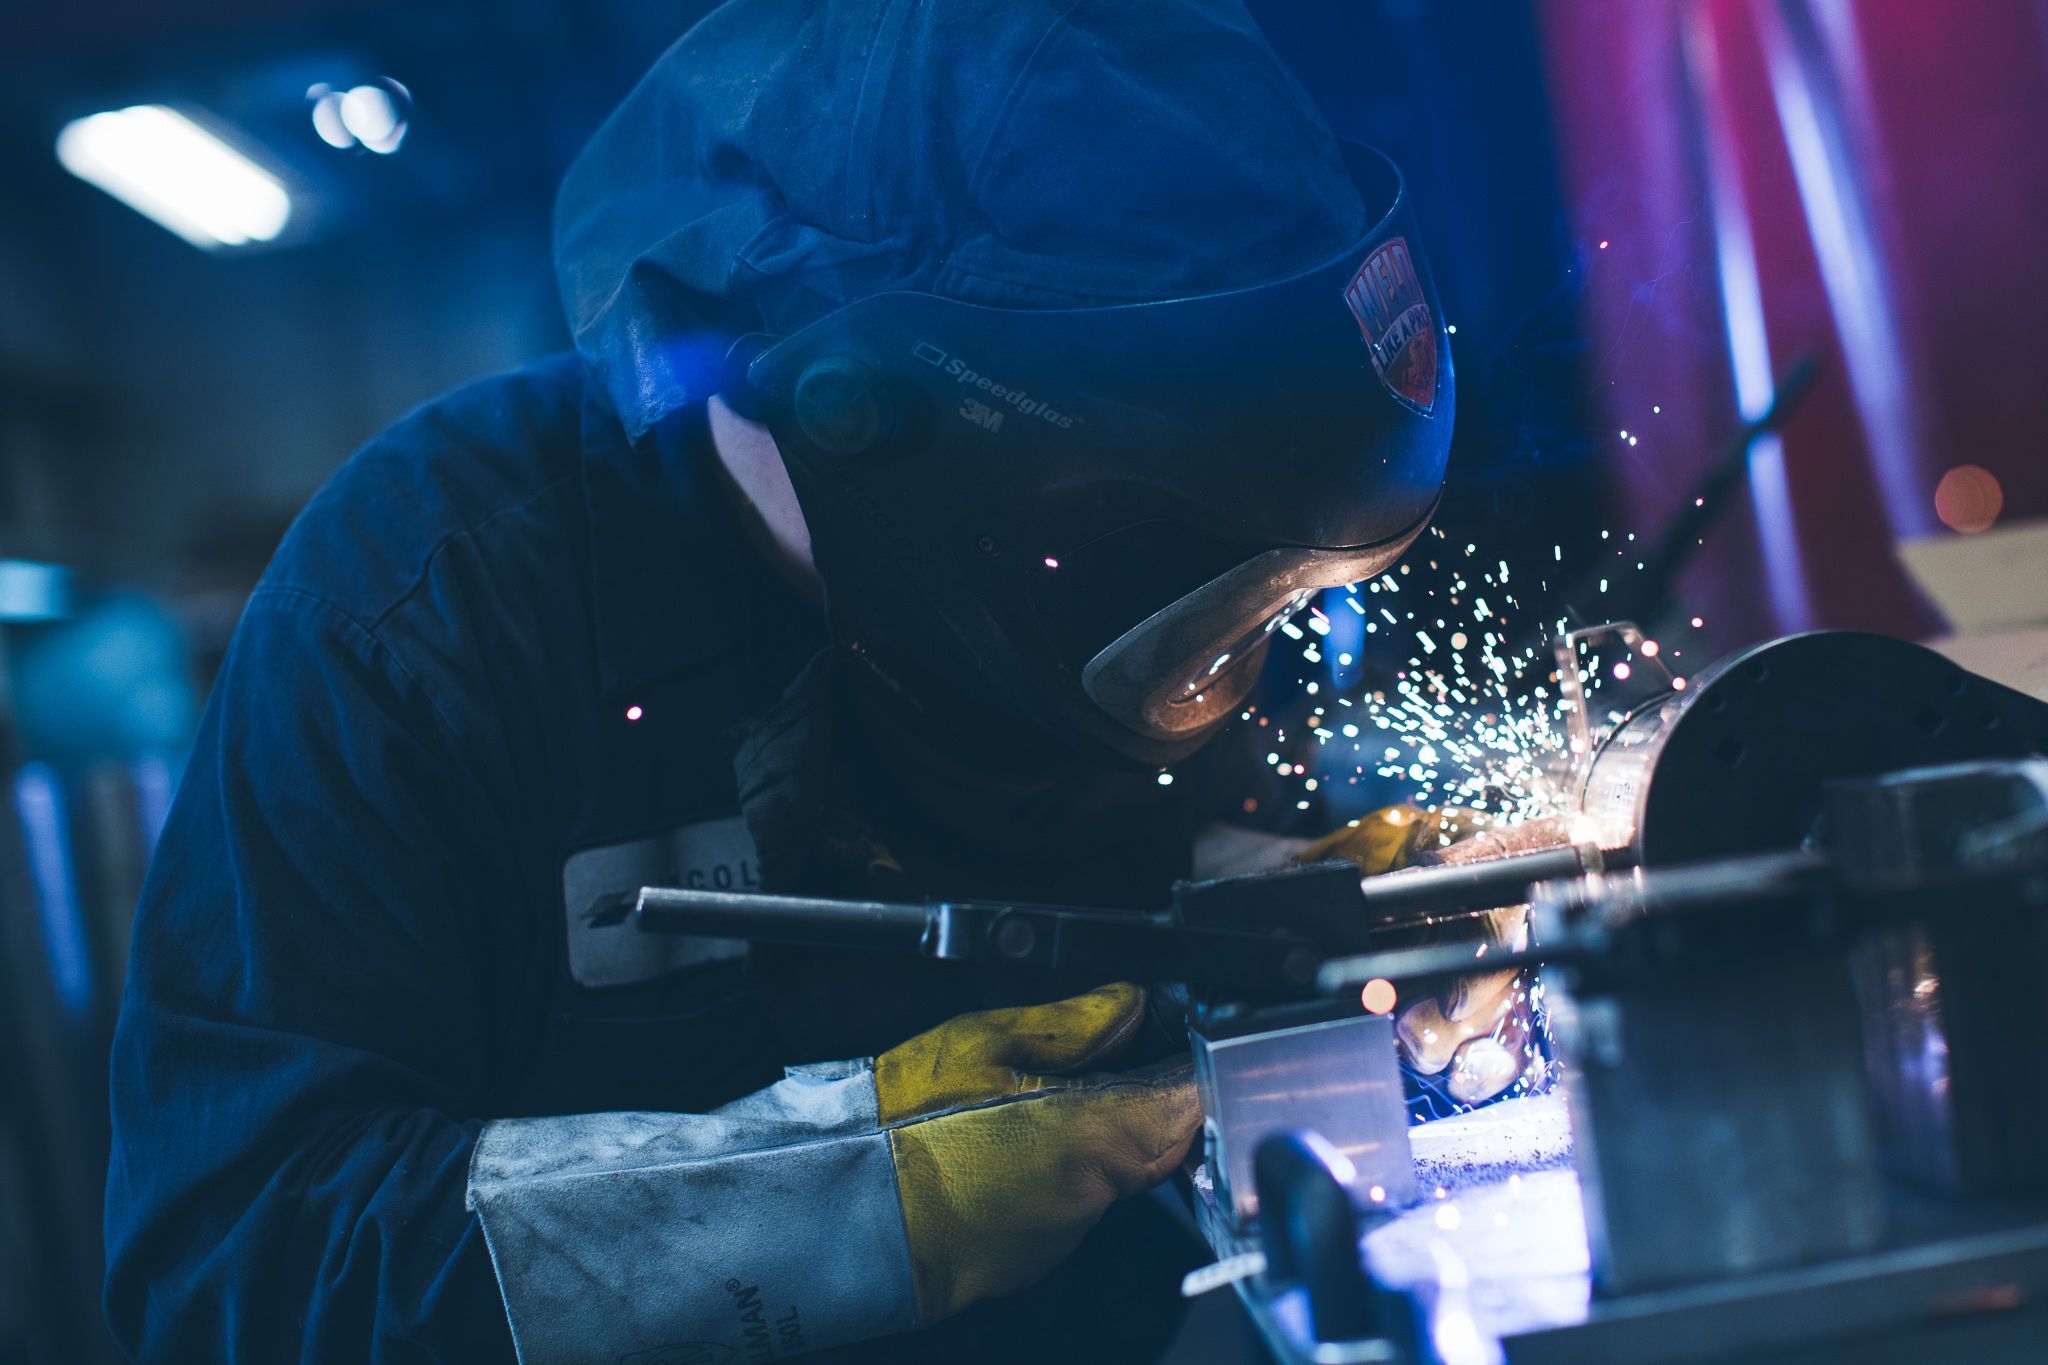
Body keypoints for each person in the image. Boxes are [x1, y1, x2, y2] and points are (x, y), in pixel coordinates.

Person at [103, 1, 1482, 1360]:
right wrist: (872, 1193)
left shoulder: (1089, 559)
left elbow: (1129, 853)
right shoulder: (425, 608)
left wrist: (1272, 911)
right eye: (1215, 585)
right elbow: (238, 1285)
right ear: (864, 402)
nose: (1233, 652)